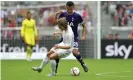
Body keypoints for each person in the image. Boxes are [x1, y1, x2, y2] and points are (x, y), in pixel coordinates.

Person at [53, 1, 88, 73]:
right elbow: (55, 23)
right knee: (56, 52)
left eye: (71, 9)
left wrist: (84, 36)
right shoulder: (62, 14)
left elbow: (84, 26)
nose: (69, 10)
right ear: (66, 7)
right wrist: (56, 14)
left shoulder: (77, 16)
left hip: (74, 37)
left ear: (73, 8)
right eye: (68, 9)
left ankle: (83, 64)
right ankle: (55, 70)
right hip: (64, 36)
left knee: (75, 52)